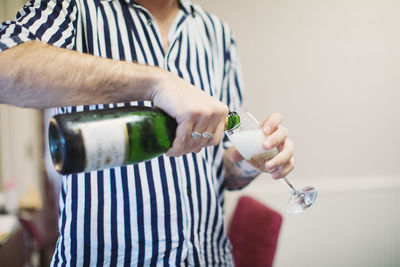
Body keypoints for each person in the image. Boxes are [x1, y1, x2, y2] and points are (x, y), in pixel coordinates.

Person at [0, 0, 294, 265]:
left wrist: (246, 161)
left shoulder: (218, 33)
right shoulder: (73, 7)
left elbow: (223, 172)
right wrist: (155, 82)